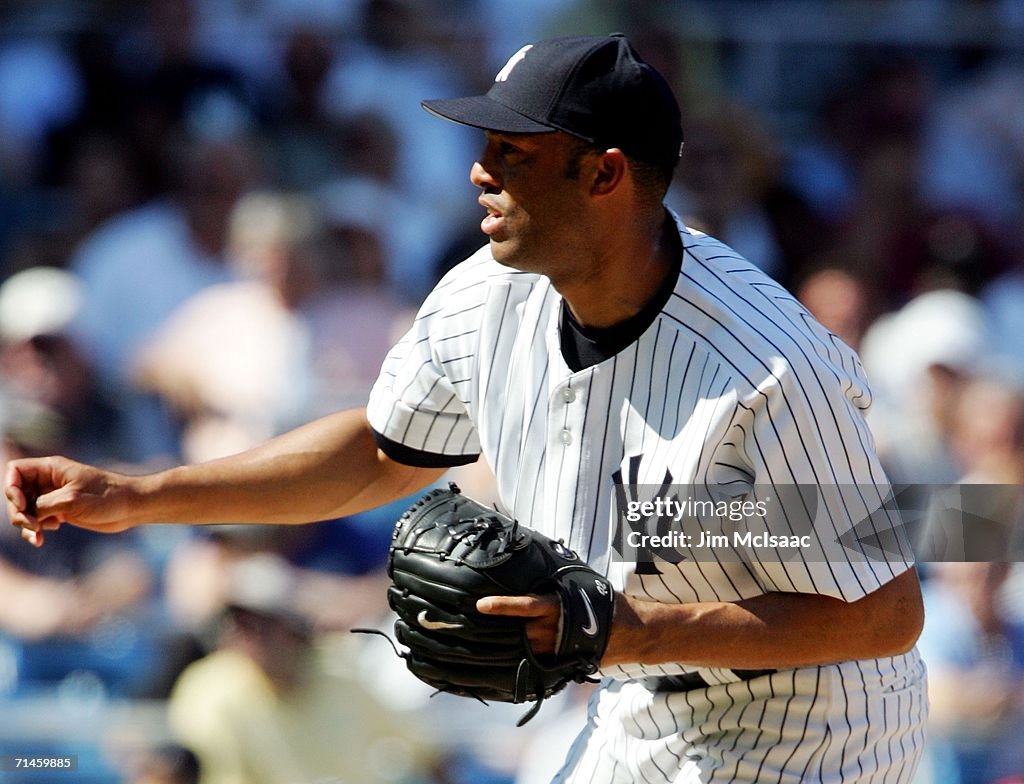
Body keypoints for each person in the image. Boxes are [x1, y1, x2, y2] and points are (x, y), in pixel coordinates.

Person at [5, 34, 926, 783]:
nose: (480, 173)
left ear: (604, 177)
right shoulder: (489, 291)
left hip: (811, 732)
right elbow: (378, 451)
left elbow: (884, 612)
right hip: (637, 711)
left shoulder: (769, 366)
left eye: (512, 153)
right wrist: (141, 495)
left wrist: (624, 632)